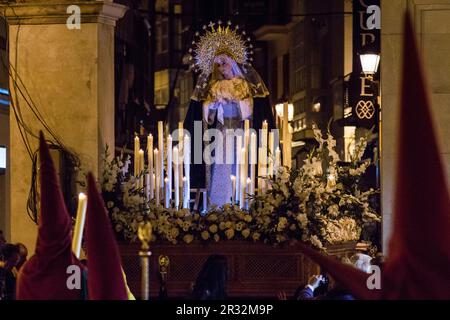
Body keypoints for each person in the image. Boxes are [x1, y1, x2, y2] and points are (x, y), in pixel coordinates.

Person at [184, 21, 276, 208]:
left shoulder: (242, 84)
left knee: (241, 165)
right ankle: (219, 205)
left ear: (232, 63)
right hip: (222, 132)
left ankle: (242, 203)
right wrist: (215, 105)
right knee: (221, 167)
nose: (221, 67)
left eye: (224, 63)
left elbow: (250, 111)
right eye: (217, 64)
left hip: (240, 132)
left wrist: (236, 102)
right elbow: (206, 115)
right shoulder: (214, 86)